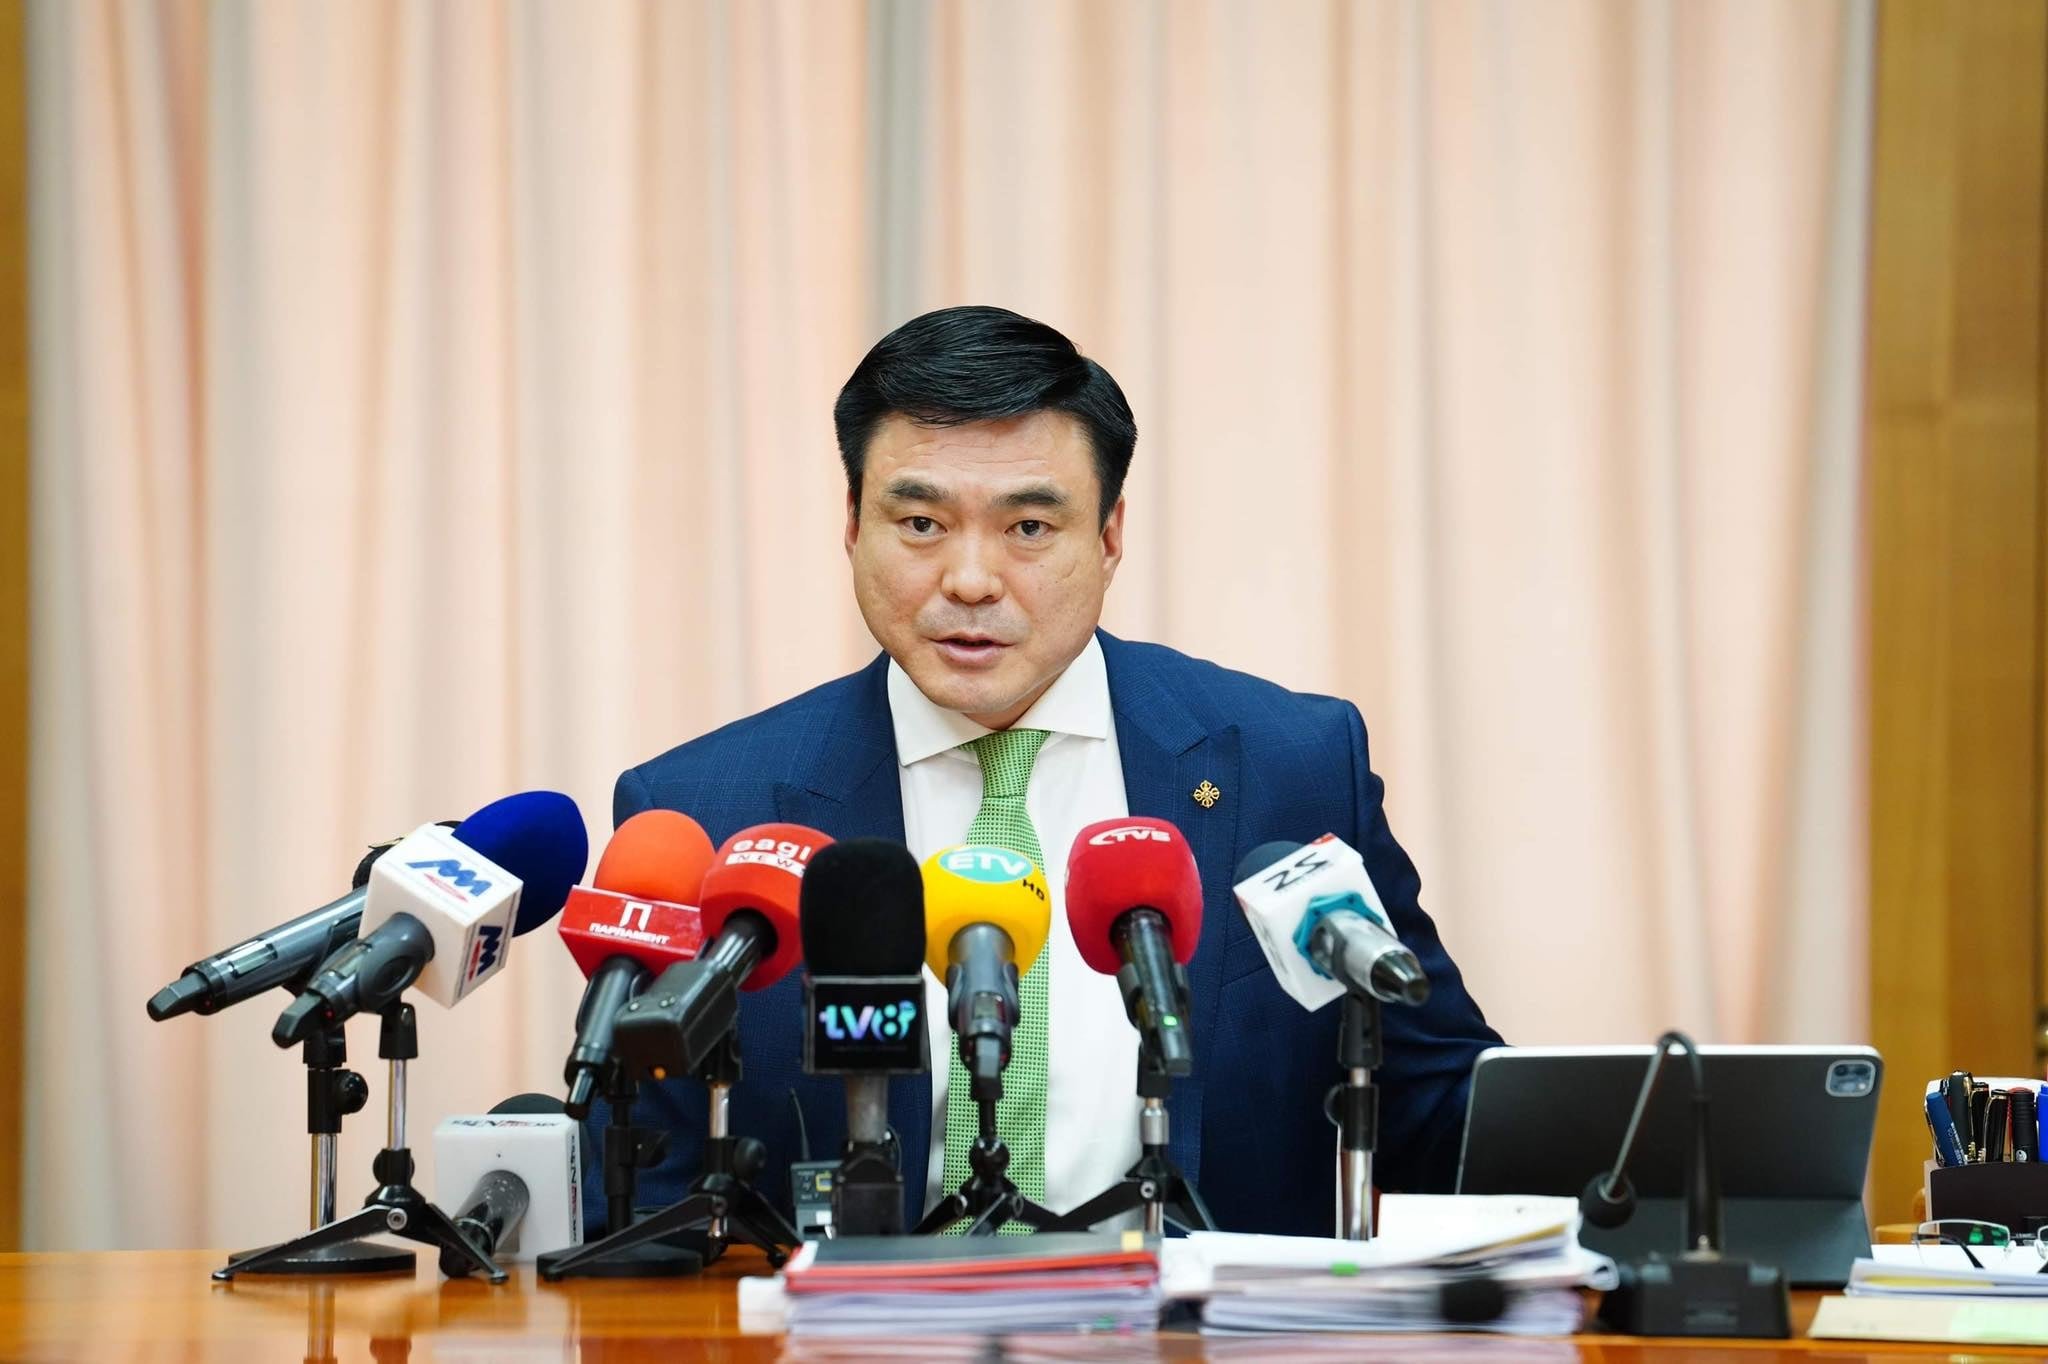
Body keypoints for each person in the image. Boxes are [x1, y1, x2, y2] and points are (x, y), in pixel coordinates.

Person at [588, 305, 1502, 1236]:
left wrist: (1588, 1148)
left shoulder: (1287, 765)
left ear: (1108, 537)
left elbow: (1433, 1105)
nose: (971, 580)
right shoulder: (710, 813)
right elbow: (643, 1198)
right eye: (920, 522)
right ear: (853, 525)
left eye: (1028, 526)